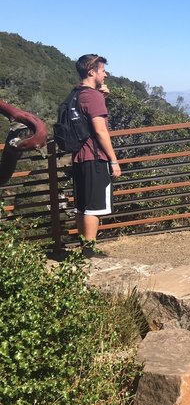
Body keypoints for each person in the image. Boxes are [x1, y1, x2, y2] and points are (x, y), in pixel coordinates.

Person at [69, 54, 121, 256]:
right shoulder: (93, 96)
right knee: (93, 207)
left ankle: (84, 249)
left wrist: (102, 96)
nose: (105, 74)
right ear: (92, 72)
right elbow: (100, 131)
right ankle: (89, 252)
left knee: (82, 205)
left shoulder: (76, 93)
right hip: (94, 156)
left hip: (79, 156)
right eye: (102, 70)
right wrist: (113, 160)